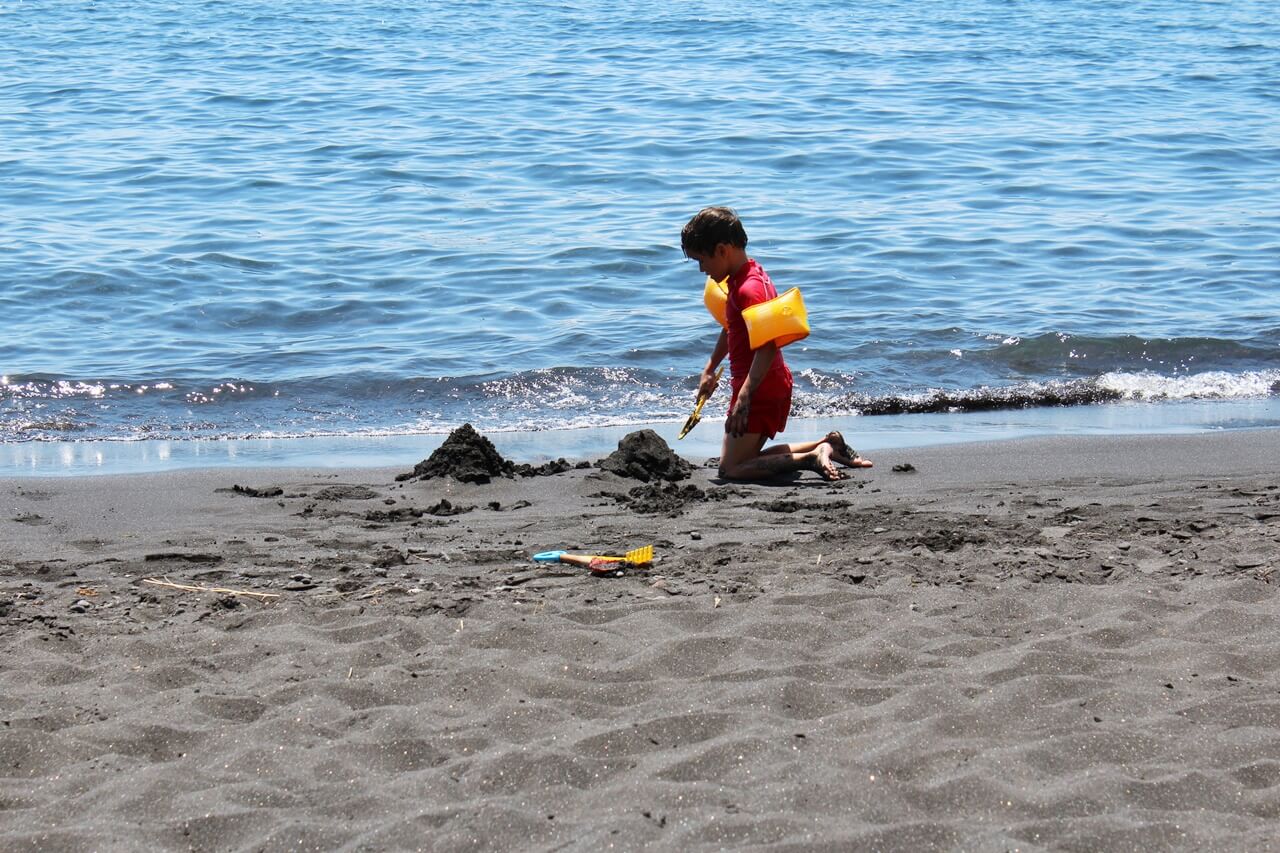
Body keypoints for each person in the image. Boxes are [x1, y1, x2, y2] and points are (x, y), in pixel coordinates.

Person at [681, 206, 873, 482]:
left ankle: (811, 458)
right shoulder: (743, 276)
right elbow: (731, 326)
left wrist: (744, 398)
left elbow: (768, 345)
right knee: (742, 460)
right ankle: (829, 444)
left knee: (731, 469)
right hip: (760, 383)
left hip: (759, 387)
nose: (702, 270)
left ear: (722, 250)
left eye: (702, 260)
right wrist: (710, 367)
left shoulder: (750, 289)